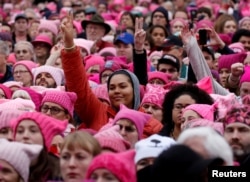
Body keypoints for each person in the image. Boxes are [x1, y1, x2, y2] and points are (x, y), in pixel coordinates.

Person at [60, 13, 162, 136]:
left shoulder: (152, 125)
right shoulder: (96, 112)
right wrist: (70, 46)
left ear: (135, 89)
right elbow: (78, 86)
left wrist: (139, 50)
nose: (116, 91)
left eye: (123, 86)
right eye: (112, 88)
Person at [12, 112, 67, 181]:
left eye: (33, 131)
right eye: (20, 131)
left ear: (45, 138)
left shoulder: (59, 171)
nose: (25, 135)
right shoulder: (6, 165)